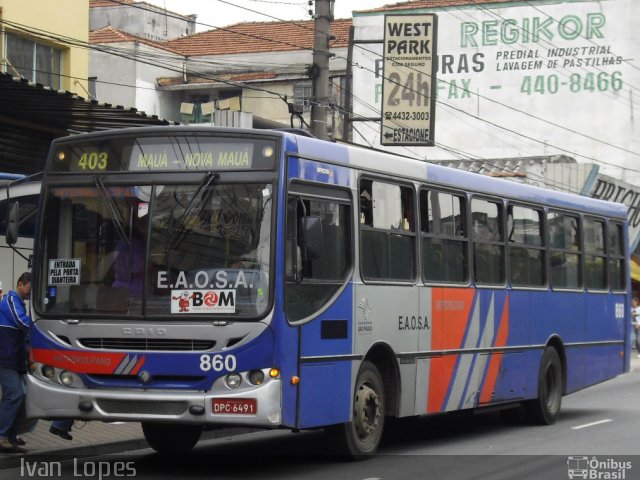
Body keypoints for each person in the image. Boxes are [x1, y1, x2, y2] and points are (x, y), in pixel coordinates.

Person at [0, 272, 32, 453]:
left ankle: (10, 436)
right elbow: (22, 323)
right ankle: (3, 436)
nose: (29, 292)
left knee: (23, 396)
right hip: (5, 359)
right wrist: (41, 326)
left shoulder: (19, 303)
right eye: (29, 288)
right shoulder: (11, 301)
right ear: (20, 284)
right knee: (15, 393)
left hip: (16, 360)